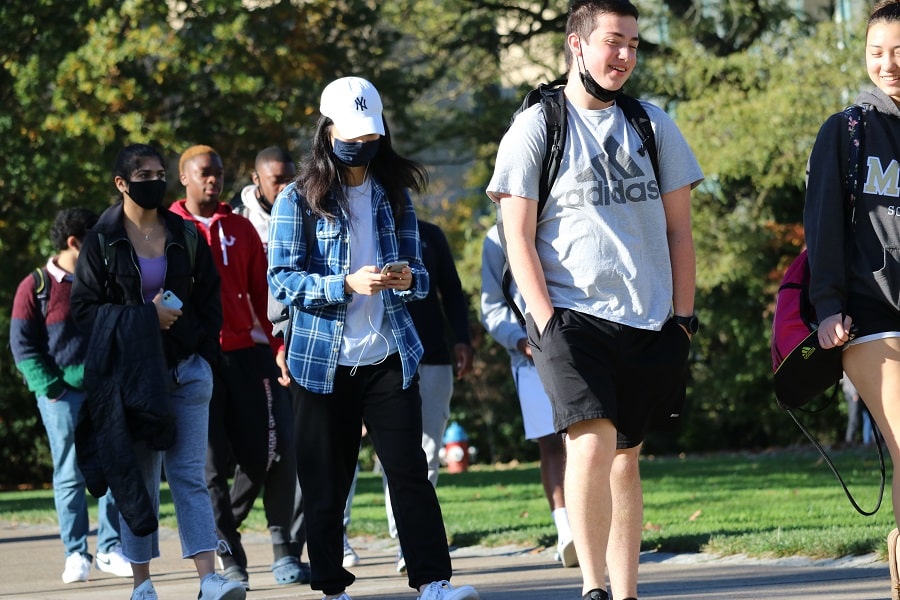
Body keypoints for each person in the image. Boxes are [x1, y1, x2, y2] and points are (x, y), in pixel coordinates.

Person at [486, 1, 703, 598]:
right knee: (589, 440)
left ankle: (626, 591)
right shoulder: (537, 126)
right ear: (577, 45)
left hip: (648, 317)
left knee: (625, 457)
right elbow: (516, 236)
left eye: (633, 43)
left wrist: (683, 319)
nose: (626, 55)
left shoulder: (652, 125)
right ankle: (593, 587)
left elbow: (680, 230)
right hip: (571, 317)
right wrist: (546, 321)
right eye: (614, 41)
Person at [267, 75, 480, 600]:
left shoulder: (394, 195)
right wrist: (344, 284)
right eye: (351, 137)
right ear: (327, 131)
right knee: (325, 483)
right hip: (322, 360)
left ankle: (433, 581)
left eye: (370, 137)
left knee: (410, 472)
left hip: (388, 355)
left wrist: (408, 279)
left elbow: (422, 278)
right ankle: (332, 588)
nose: (361, 147)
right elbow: (282, 279)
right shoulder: (298, 199)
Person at [70, 143, 245, 600]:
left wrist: (203, 356)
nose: (154, 180)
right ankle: (142, 583)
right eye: (143, 174)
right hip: (132, 380)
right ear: (121, 183)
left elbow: (210, 300)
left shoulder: (184, 234)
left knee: (189, 473)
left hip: (187, 371)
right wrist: (146, 318)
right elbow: (85, 313)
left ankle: (209, 578)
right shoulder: (101, 241)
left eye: (159, 172)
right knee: (140, 479)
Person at [171, 145, 302, 589]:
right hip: (194, 356)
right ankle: (231, 559)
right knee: (207, 466)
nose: (214, 180)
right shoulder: (169, 229)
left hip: (249, 353)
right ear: (184, 177)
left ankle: (264, 537)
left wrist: (280, 343)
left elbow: (264, 294)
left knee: (271, 448)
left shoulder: (240, 228)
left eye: (220, 173)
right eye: (205, 173)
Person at [804, 5, 900, 597]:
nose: (888, 64)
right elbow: (823, 227)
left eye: (899, 52)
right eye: (877, 53)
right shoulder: (848, 130)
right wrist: (828, 303)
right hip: (870, 321)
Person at [10, 208, 132, 584]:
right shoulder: (35, 286)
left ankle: (110, 549)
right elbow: (23, 347)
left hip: (106, 392)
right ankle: (76, 553)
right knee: (69, 473)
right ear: (74, 242)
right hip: (61, 396)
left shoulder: (104, 281)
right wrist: (54, 388)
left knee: (114, 469)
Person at [232, 145, 311, 584]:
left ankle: (289, 550)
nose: (284, 187)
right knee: (257, 453)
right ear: (256, 178)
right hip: (250, 351)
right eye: (275, 180)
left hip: (299, 346)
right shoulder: (236, 224)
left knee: (297, 450)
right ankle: (226, 529)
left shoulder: (305, 209)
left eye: (288, 178)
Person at [480, 223, 574, 568]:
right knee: (551, 443)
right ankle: (567, 532)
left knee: (590, 438)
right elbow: (491, 307)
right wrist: (519, 340)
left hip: (582, 347)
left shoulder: (564, 215)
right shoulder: (497, 238)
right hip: (530, 355)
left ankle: (594, 524)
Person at [386, 218, 475, 574]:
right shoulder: (364, 230)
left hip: (433, 356)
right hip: (386, 358)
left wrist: (462, 340)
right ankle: (404, 538)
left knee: (427, 451)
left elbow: (452, 291)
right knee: (394, 453)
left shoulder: (430, 234)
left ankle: (411, 542)